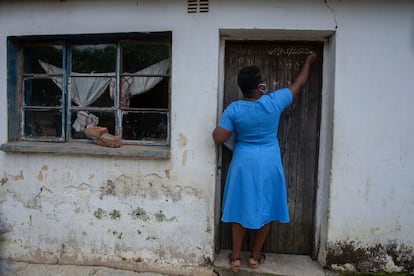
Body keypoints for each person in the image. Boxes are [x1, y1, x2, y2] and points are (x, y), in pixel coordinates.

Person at [212, 52, 318, 272]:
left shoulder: (234, 109)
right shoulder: (274, 101)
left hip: (243, 162)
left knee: (239, 207)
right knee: (266, 206)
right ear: (260, 86)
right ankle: (255, 256)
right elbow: (299, 83)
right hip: (269, 161)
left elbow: (218, 137)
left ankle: (234, 258)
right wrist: (309, 61)